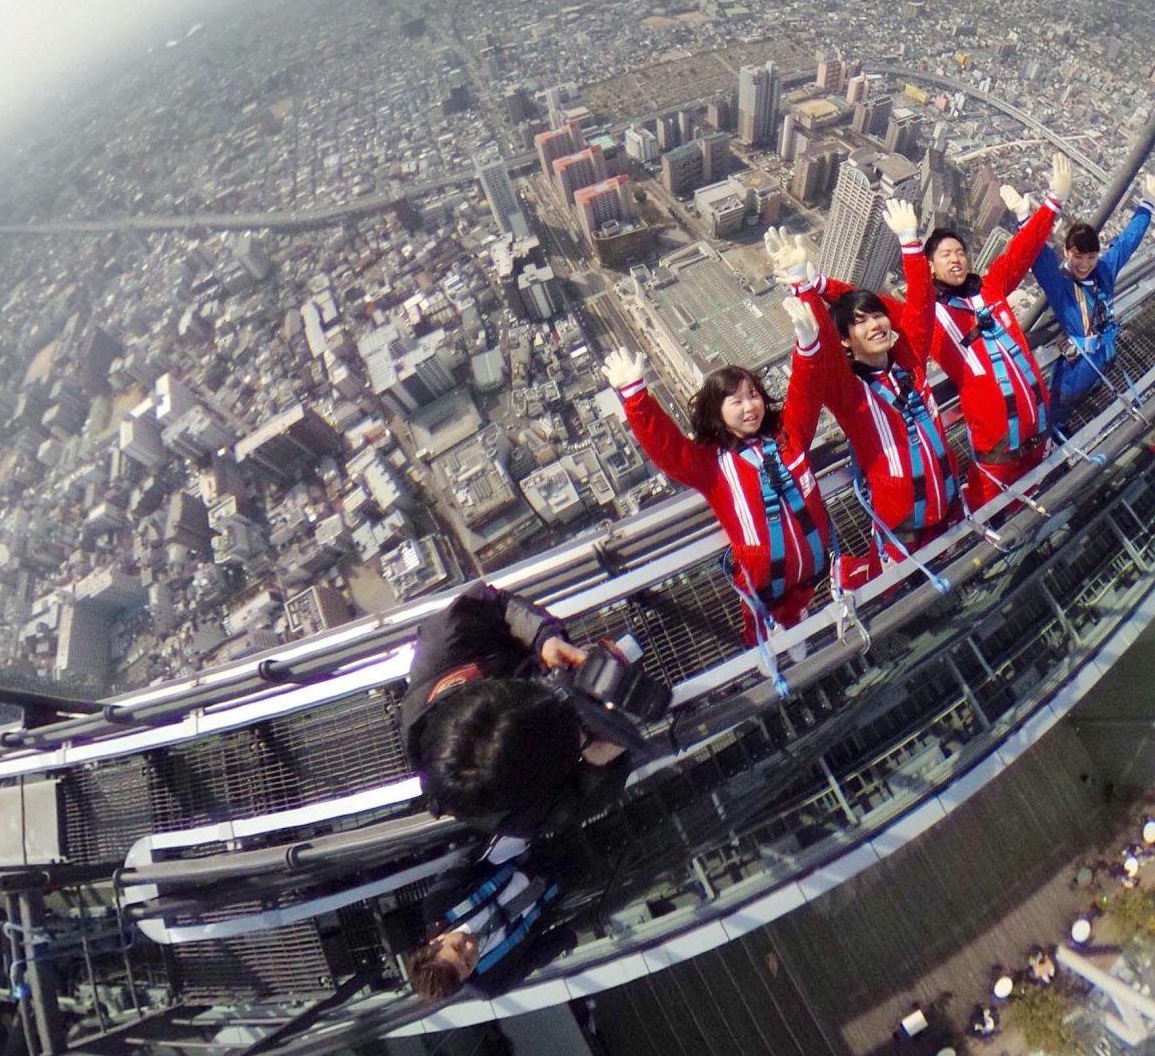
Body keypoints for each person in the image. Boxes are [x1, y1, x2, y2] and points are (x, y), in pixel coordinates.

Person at [602, 293, 831, 647]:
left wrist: (808, 347)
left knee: (807, 612)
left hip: (813, 571)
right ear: (716, 411)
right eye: (736, 401)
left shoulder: (789, 438)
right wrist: (636, 396)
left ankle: (799, 630)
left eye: (753, 395)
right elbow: (667, 450)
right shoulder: (713, 466)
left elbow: (806, 392)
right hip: (765, 589)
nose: (750, 406)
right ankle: (769, 653)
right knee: (763, 641)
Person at [782, 199, 964, 562]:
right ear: (846, 339)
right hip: (902, 542)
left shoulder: (910, 367)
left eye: (878, 316)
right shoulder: (851, 393)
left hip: (951, 516)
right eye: (861, 321)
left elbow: (920, 310)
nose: (876, 325)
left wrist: (911, 245)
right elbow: (828, 356)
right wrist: (803, 287)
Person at [401, 582, 629, 838]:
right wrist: (603, 760)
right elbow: (581, 802)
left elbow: (491, 602)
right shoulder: (510, 815)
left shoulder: (445, 643)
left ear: (492, 688)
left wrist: (543, 638)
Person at [924, 154, 1071, 508]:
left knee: (1043, 500)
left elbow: (1022, 251)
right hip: (997, 451)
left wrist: (1052, 203)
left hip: (1038, 432)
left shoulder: (990, 289)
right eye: (946, 255)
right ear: (929, 267)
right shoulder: (930, 318)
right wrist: (812, 286)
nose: (956, 259)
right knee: (986, 515)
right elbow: (870, 313)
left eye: (960, 252)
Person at [1031, 174, 1155, 432]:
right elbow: (1039, 257)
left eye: (1091, 256)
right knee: (1059, 405)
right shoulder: (1063, 286)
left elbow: (1127, 242)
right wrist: (1026, 218)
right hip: (1079, 365)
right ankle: (1054, 435)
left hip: (1104, 354)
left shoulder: (1103, 270)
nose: (1084, 264)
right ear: (1067, 253)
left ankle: (1060, 427)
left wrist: (1148, 205)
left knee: (1080, 396)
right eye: (1078, 256)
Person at [403, 834, 576, 1002]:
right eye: (469, 963)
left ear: (437, 941)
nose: (471, 947)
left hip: (530, 849)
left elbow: (473, 860)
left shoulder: (438, 905)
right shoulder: (488, 984)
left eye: (458, 947)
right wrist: (573, 932)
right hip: (562, 886)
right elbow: (537, 955)